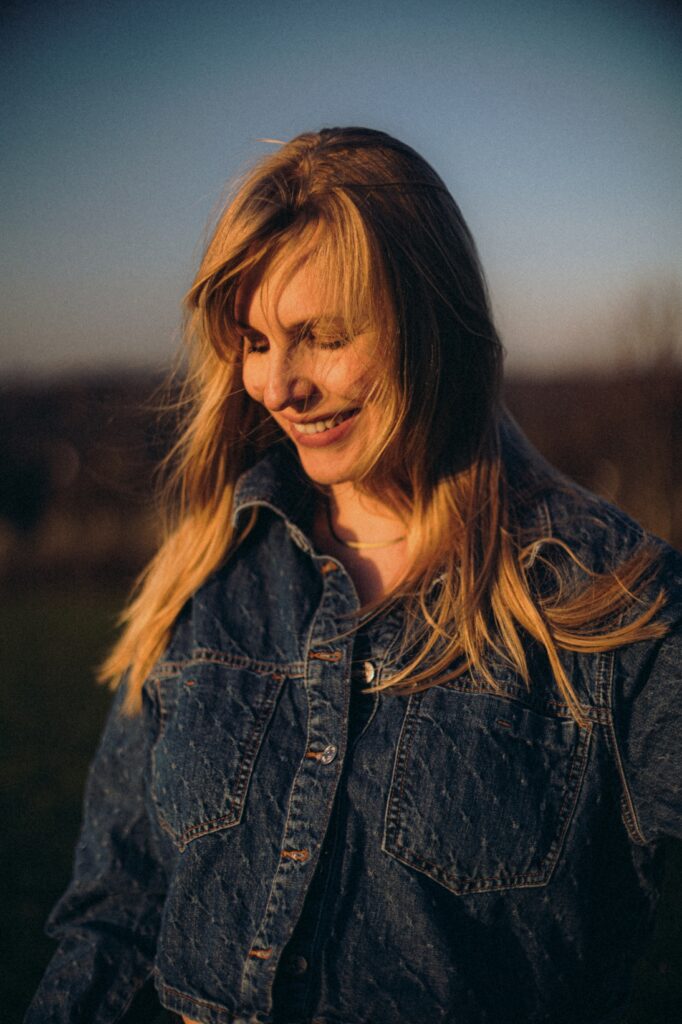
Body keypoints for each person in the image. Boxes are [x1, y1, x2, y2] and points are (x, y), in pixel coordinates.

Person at [27, 127, 681, 1024]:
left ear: (434, 323)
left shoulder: (614, 605)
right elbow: (116, 918)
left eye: (321, 336)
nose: (277, 386)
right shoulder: (211, 575)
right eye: (256, 341)